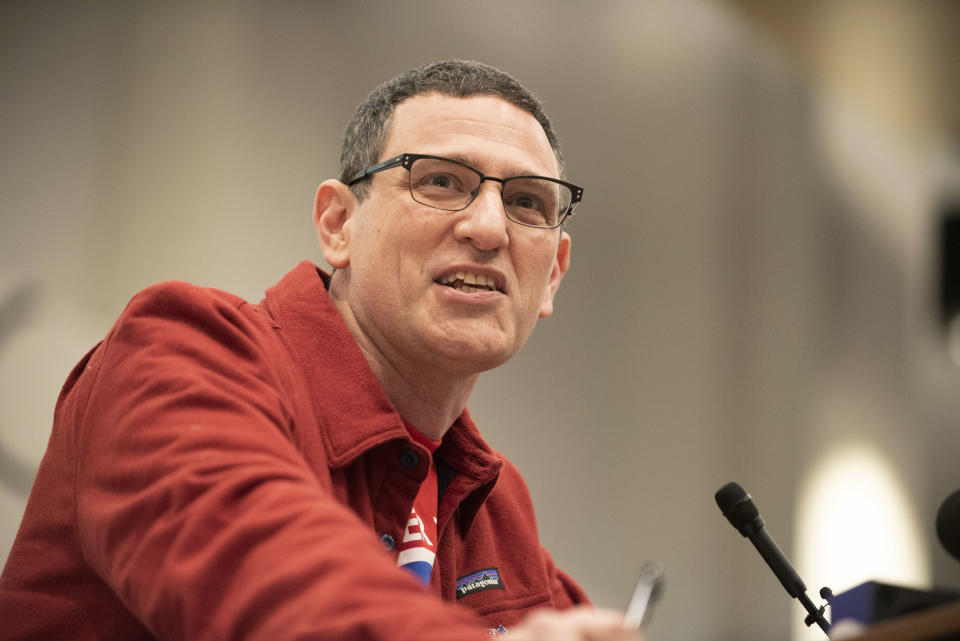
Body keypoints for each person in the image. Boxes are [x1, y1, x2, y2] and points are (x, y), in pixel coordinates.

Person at [0, 60, 639, 641]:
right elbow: (280, 595)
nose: (490, 227)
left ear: (552, 273)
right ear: (338, 225)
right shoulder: (176, 352)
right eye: (442, 181)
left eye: (527, 202)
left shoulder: (494, 504)